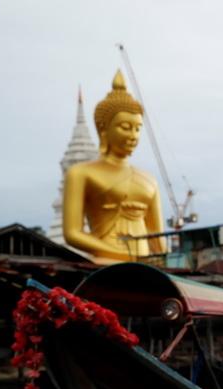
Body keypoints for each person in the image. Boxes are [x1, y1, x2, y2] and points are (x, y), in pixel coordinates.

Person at [63, 70, 166, 262]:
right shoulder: (81, 173)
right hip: (106, 263)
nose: (133, 135)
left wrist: (162, 262)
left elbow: (157, 236)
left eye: (137, 129)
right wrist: (122, 255)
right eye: (126, 127)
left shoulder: (149, 180)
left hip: (147, 266)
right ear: (104, 128)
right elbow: (72, 233)